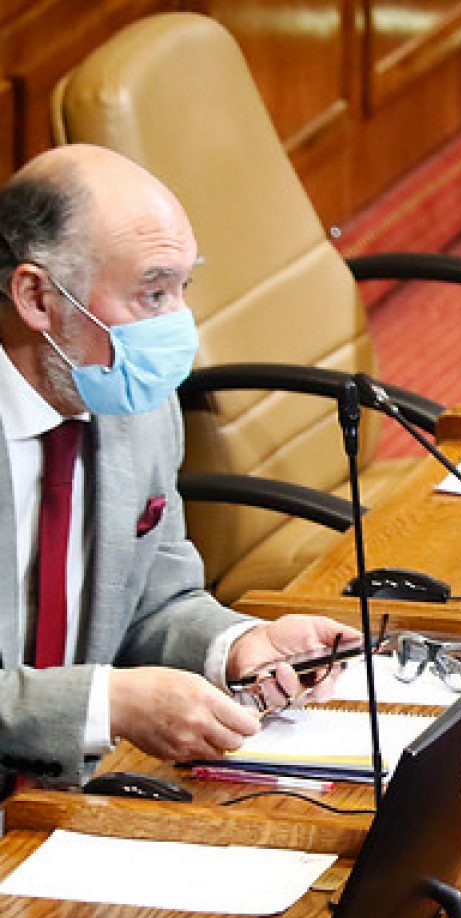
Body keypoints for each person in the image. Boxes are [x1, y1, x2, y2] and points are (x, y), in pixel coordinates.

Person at [0, 143, 358, 787]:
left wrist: (239, 647)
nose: (179, 326)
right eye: (152, 293)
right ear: (36, 298)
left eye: (182, 288)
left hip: (69, 801)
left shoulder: (136, 405)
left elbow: (152, 603)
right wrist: (106, 703)